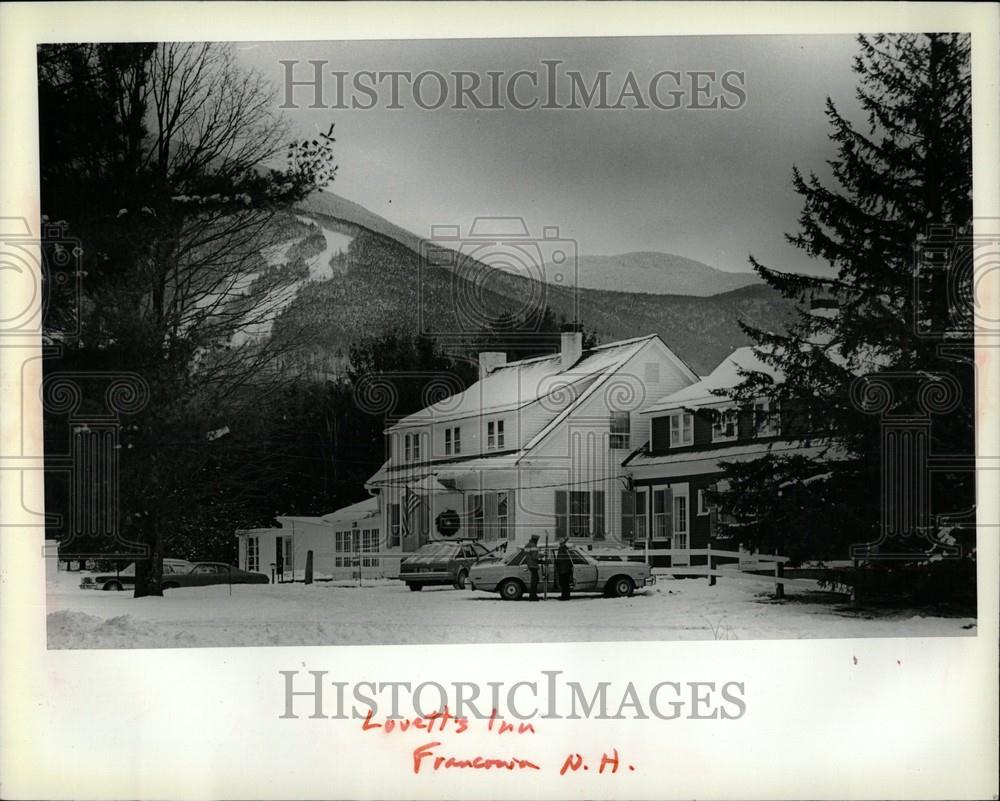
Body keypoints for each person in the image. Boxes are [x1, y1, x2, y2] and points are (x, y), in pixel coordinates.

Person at [524, 535, 541, 601]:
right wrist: (540, 555)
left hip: (530, 564)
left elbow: (528, 555)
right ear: (535, 540)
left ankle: (533, 595)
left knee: (534, 580)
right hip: (534, 565)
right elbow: (534, 557)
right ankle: (533, 596)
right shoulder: (533, 546)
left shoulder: (527, 545)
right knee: (535, 581)